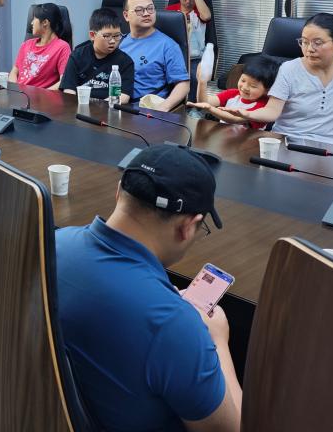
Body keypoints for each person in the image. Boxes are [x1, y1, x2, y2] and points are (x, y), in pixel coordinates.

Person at [56, 145, 242, 431]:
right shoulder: (173, 324)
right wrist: (218, 341)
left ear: (118, 192)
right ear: (188, 226)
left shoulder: (53, 243)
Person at [232, 13, 333, 147]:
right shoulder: (289, 69)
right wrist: (247, 114)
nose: (309, 49)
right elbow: (273, 109)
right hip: (286, 143)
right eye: (304, 42)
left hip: (328, 148)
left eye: (318, 43)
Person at [120, 0, 190, 110]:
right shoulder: (119, 42)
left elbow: (183, 84)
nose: (146, 13)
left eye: (150, 8)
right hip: (118, 106)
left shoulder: (167, 45)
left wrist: (163, 108)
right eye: (139, 10)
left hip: (147, 110)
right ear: (126, 15)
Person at [60, 7, 135, 101]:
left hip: (108, 107)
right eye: (107, 36)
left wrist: (102, 106)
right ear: (92, 35)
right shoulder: (78, 55)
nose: (112, 41)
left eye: (117, 36)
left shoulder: (125, 61)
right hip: (79, 105)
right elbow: (68, 90)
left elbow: (124, 96)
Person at [187, 55, 279, 130]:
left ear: (267, 90)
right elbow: (204, 102)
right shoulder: (232, 94)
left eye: (253, 86)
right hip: (223, 138)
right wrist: (202, 82)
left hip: (248, 143)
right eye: (243, 80)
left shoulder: (264, 107)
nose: (245, 87)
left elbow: (235, 119)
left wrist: (211, 108)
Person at [166, 0, 213, 101]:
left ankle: (192, 107)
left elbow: (207, 16)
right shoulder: (170, 11)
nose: (188, 1)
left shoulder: (200, 11)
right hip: (173, 56)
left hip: (194, 58)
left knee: (192, 77)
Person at [8, 3, 72, 89]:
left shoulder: (62, 47)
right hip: (19, 94)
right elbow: (14, 72)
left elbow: (64, 81)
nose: (31, 23)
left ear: (45, 22)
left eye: (34, 19)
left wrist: (42, 94)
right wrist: (14, 89)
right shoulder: (26, 44)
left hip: (41, 96)